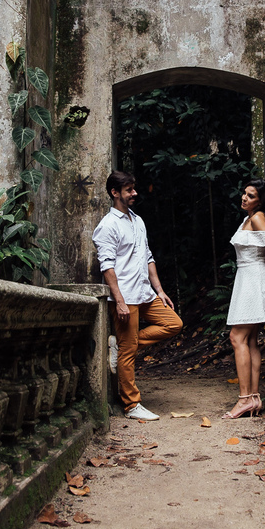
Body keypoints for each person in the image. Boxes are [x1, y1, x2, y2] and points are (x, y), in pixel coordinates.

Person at [92, 170, 183, 421]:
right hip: (125, 297)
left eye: (134, 189)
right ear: (115, 193)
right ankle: (132, 405)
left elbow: (148, 257)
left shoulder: (138, 220)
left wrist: (160, 291)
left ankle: (120, 348)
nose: (135, 193)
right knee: (128, 351)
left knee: (173, 323)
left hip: (144, 292)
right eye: (129, 190)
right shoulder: (107, 226)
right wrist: (119, 301)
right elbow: (107, 266)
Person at [223, 178, 265, 419]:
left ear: (260, 200)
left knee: (237, 337)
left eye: (251, 195)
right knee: (251, 341)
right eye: (244, 193)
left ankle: (244, 399)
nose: (244, 198)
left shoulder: (257, 218)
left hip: (254, 279)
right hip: (248, 279)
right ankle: (254, 397)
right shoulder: (249, 218)